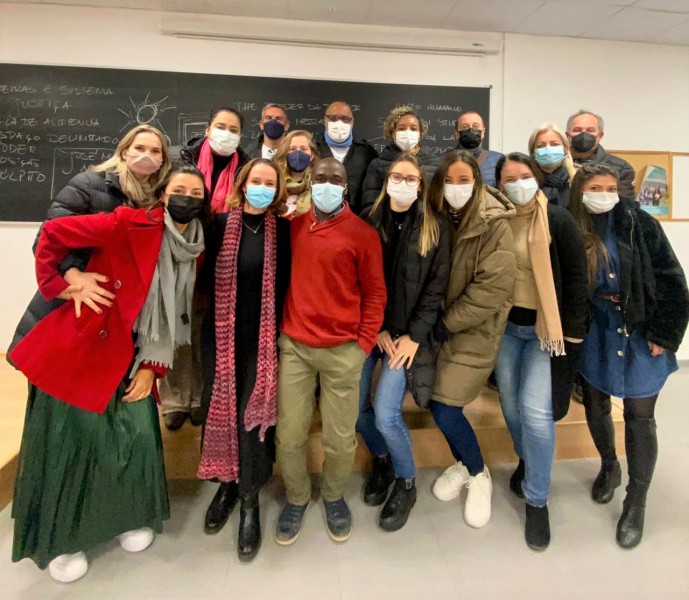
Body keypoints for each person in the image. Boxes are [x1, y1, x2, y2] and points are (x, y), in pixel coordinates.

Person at [9, 164, 206, 583]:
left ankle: (126, 518)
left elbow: (171, 314)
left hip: (135, 356)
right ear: (163, 194)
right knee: (74, 446)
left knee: (134, 441)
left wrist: (152, 368)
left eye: (196, 194)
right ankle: (66, 540)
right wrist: (64, 282)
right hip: (84, 348)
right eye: (179, 190)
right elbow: (52, 234)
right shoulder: (129, 222)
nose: (186, 199)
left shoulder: (194, 245)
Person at [568, 163, 689, 549]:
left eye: (610, 188)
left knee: (640, 417)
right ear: (580, 191)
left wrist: (663, 334)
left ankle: (636, 500)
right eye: (594, 188)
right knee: (595, 403)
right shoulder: (571, 225)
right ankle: (609, 465)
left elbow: (673, 280)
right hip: (594, 328)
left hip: (639, 327)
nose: (603, 195)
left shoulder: (641, 224)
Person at [274, 158, 386, 546]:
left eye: (335, 179)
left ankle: (334, 496)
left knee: (340, 439)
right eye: (320, 178)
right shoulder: (294, 227)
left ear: (345, 187)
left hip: (343, 352)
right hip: (296, 348)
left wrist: (363, 345)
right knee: (289, 435)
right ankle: (297, 498)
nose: (327, 184)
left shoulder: (362, 234)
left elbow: (376, 293)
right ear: (310, 183)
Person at [8, 124, 172, 358]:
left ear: (163, 159)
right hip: (77, 296)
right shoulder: (89, 184)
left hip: (120, 305)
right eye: (140, 148)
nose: (147, 155)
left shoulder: (160, 198)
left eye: (155, 151)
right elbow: (46, 236)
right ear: (125, 151)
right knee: (56, 366)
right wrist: (71, 274)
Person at [197, 158, 291, 562]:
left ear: (278, 190)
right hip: (220, 335)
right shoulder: (217, 225)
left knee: (252, 417)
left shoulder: (283, 231)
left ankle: (249, 499)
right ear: (243, 183)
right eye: (257, 181)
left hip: (263, 339)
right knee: (218, 407)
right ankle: (226, 485)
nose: (263, 188)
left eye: (270, 183)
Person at [495, 152, 589, 551]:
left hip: (543, 332)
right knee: (510, 406)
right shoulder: (495, 220)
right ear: (499, 185)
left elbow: (577, 279)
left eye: (524, 176)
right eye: (509, 179)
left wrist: (573, 335)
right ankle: (528, 459)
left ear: (536, 178)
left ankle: (537, 500)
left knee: (535, 412)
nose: (518, 183)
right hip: (505, 329)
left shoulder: (558, 220)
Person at [357, 153, 450, 532]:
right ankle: (380, 457)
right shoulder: (367, 221)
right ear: (386, 181)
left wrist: (413, 336)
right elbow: (357, 281)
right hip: (371, 329)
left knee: (385, 413)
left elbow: (435, 291)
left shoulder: (434, 227)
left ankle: (406, 480)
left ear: (421, 185)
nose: (403, 183)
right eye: (397, 176)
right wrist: (375, 327)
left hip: (409, 336)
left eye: (411, 178)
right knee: (354, 409)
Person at [426, 150, 516, 528]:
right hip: (437, 327)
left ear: (477, 181)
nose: (456, 188)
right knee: (436, 403)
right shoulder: (435, 214)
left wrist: (446, 323)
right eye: (449, 181)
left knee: (446, 408)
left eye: (464, 180)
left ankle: (478, 473)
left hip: (473, 329)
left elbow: (491, 289)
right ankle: (464, 464)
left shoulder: (494, 223)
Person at [166, 107, 249, 429]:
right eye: (220, 126)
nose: (226, 133)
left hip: (220, 258)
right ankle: (175, 399)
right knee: (175, 328)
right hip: (179, 252)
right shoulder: (181, 158)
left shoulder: (244, 167)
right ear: (208, 128)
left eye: (233, 129)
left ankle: (200, 396)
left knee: (205, 332)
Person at [362, 106, 439, 207]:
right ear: (392, 132)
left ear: (420, 133)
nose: (408, 132)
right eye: (401, 128)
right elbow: (370, 201)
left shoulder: (435, 163)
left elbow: (439, 200)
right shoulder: (377, 164)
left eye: (413, 129)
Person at [313, 100, 378, 215]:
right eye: (333, 118)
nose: (339, 123)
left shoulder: (366, 151)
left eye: (345, 118)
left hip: (357, 216)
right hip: (319, 215)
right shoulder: (313, 148)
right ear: (325, 121)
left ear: (352, 122)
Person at [565, 109, 636, 200]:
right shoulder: (557, 164)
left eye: (590, 130)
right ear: (567, 135)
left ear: (600, 135)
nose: (584, 134)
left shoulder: (621, 168)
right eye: (577, 130)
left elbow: (626, 204)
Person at [273, 130, 319, 219]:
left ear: (312, 155)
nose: (298, 153)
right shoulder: (275, 183)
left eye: (303, 149)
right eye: (292, 149)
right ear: (285, 153)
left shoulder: (318, 185)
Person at [528, 123, 576, 208]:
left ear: (566, 149)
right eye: (540, 146)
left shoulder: (576, 179)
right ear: (533, 152)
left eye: (555, 144)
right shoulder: (527, 181)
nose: (548, 149)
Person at [453, 110, 503, 188]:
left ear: (483, 132)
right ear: (456, 133)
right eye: (464, 127)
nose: (470, 130)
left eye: (475, 126)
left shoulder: (499, 160)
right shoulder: (444, 160)